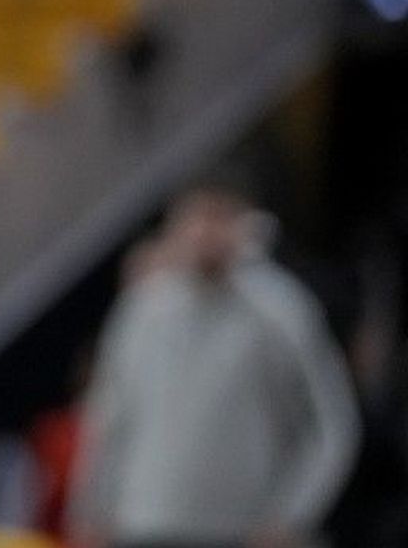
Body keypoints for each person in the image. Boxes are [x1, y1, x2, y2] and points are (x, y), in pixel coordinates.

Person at [68, 183, 359, 548]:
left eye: (219, 217)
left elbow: (332, 425)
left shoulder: (281, 309)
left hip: (239, 531)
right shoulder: (144, 307)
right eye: (197, 217)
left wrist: (292, 515)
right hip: (143, 524)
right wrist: (89, 509)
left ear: (246, 225)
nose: (206, 232)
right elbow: (108, 415)